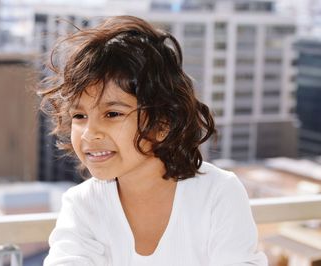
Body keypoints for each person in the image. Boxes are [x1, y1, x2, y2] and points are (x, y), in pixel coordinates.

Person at [39, 15, 267, 266]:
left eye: (112, 114)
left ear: (163, 123)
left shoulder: (217, 193)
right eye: (79, 115)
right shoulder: (83, 205)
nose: (89, 133)